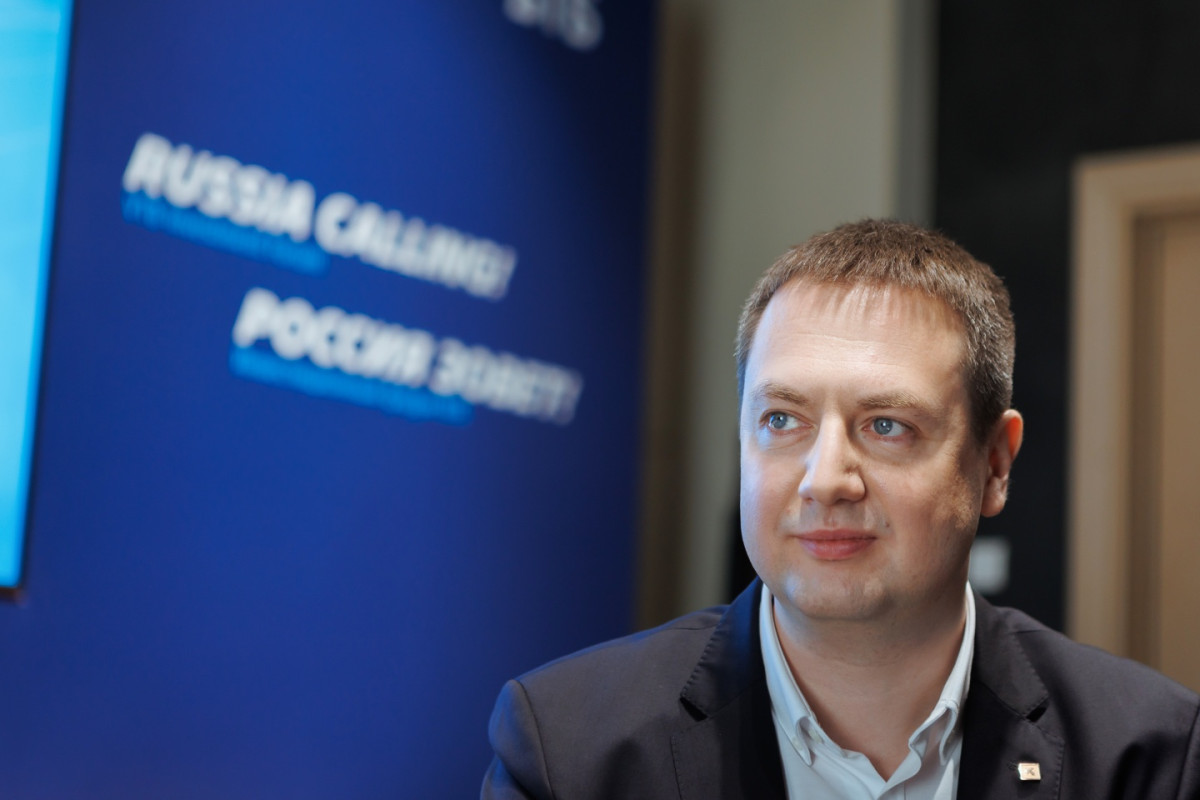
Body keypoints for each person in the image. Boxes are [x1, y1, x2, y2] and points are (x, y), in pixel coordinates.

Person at [481, 220, 1200, 799]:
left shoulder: (1147, 756)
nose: (824, 481)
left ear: (994, 465)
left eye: (887, 425)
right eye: (782, 420)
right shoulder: (567, 751)